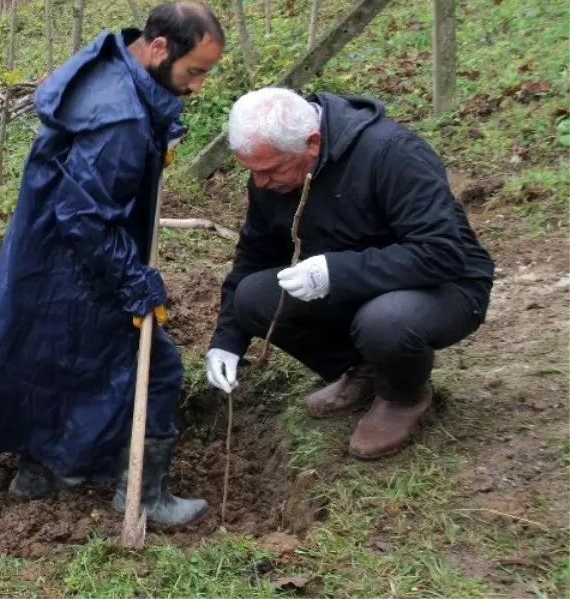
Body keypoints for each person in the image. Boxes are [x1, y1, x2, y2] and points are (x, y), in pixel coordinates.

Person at [0, 2, 225, 526]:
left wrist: (157, 137)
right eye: (194, 72)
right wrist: (134, 280)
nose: (197, 86)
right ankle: (143, 496)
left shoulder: (115, 68)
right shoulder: (119, 118)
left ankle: (43, 472)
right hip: (79, 260)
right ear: (160, 48)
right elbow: (86, 215)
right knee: (155, 367)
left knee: (52, 358)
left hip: (46, 255)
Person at [204, 87, 494, 459]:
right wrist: (226, 341)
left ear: (312, 143)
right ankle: (366, 370)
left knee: (385, 321)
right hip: (359, 284)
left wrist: (335, 271)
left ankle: (404, 395)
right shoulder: (273, 174)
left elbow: (441, 252)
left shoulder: (392, 153)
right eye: (253, 172)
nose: (261, 184)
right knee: (253, 297)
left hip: (447, 285)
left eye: (272, 170)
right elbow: (253, 258)